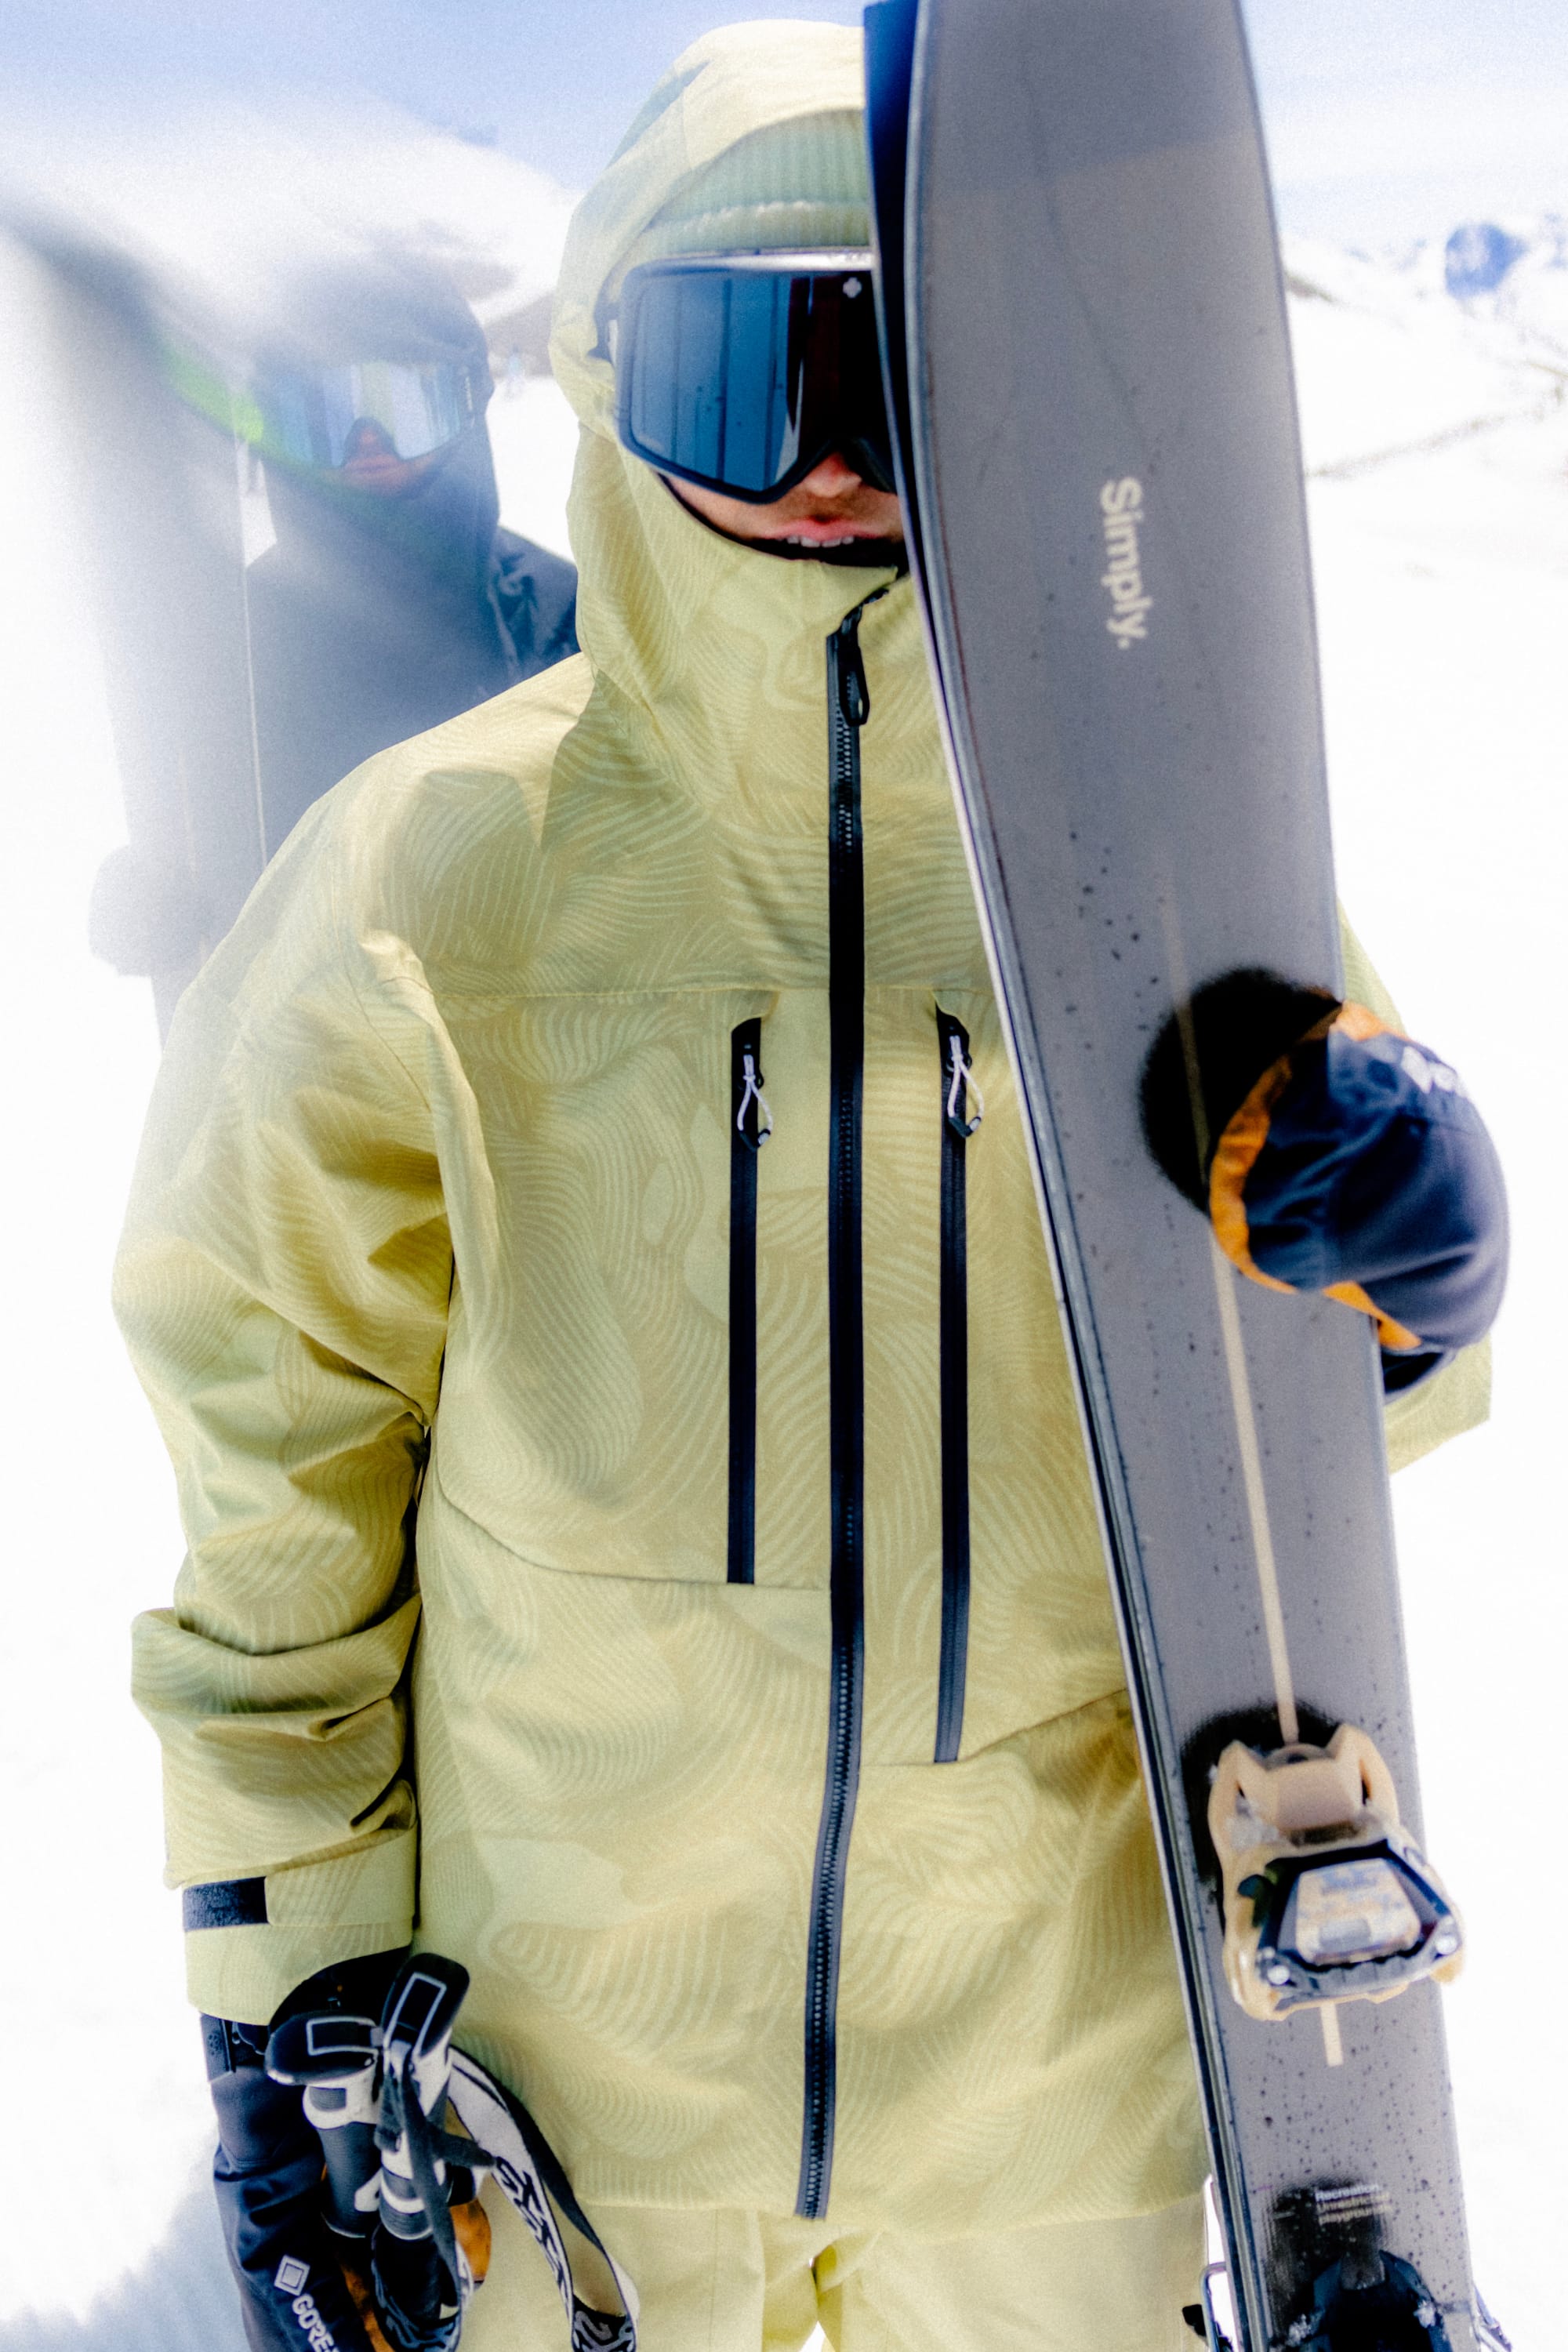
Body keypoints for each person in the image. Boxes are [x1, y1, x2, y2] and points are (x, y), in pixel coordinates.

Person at [114, 24, 1504, 2352]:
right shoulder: (424, 885)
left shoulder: (1152, 848)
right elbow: (278, 1496)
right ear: (591, 370)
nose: (830, 463)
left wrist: (1419, 1280)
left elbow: (1286, 1450)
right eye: (734, 371)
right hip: (571, 2087)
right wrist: (284, 2012)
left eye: (889, 361)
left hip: (1057, 2099)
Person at [88, 254, 577, 993]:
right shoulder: (234, 642)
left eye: (405, 405)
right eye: (324, 416)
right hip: (313, 1060)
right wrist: (154, 897)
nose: (369, 442)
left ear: (469, 409)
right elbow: (207, 833)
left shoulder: (563, 617)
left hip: (520, 1055)